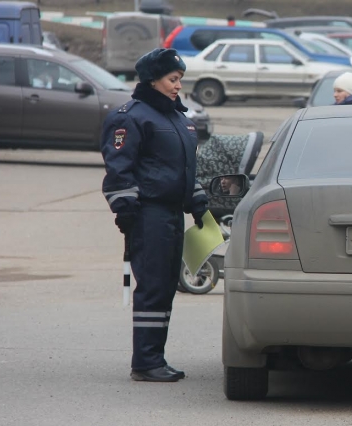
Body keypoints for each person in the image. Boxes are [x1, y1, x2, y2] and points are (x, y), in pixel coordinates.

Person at [100, 48, 208, 383]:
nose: (178, 86)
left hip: (173, 215)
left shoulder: (177, 117)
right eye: (172, 79)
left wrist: (197, 199)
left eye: (180, 80)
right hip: (148, 214)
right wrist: (125, 209)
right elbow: (119, 168)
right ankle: (146, 363)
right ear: (152, 79)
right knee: (152, 287)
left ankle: (154, 358)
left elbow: (184, 168)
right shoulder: (131, 116)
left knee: (164, 287)